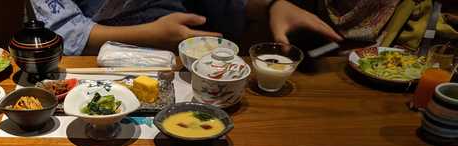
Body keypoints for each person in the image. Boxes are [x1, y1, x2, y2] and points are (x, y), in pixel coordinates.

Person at [30, 0, 343, 55]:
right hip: (89, 65)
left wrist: (273, 6)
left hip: (183, 61)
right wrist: (153, 35)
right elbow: (62, 32)